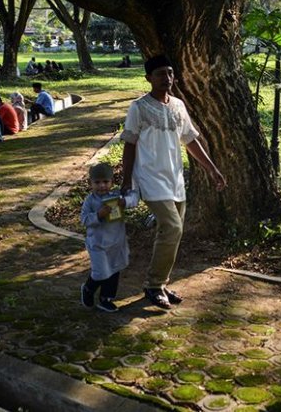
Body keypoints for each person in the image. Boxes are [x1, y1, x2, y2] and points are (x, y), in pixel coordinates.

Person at [120, 55, 226, 310]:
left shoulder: (178, 105)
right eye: (160, 74)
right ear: (148, 78)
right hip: (149, 177)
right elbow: (129, 143)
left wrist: (212, 169)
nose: (166, 78)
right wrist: (126, 181)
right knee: (172, 227)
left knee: (171, 232)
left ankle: (161, 282)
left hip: (175, 178)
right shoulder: (139, 107)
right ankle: (154, 285)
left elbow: (190, 140)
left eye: (169, 73)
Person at [80, 163, 139, 312]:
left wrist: (124, 201)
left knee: (114, 269)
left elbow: (134, 198)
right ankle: (88, 288)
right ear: (91, 183)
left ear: (111, 182)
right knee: (101, 272)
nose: (102, 186)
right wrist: (98, 215)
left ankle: (106, 299)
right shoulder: (90, 201)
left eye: (105, 182)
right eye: (97, 182)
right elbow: (84, 219)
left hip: (116, 242)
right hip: (98, 244)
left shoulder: (116, 196)